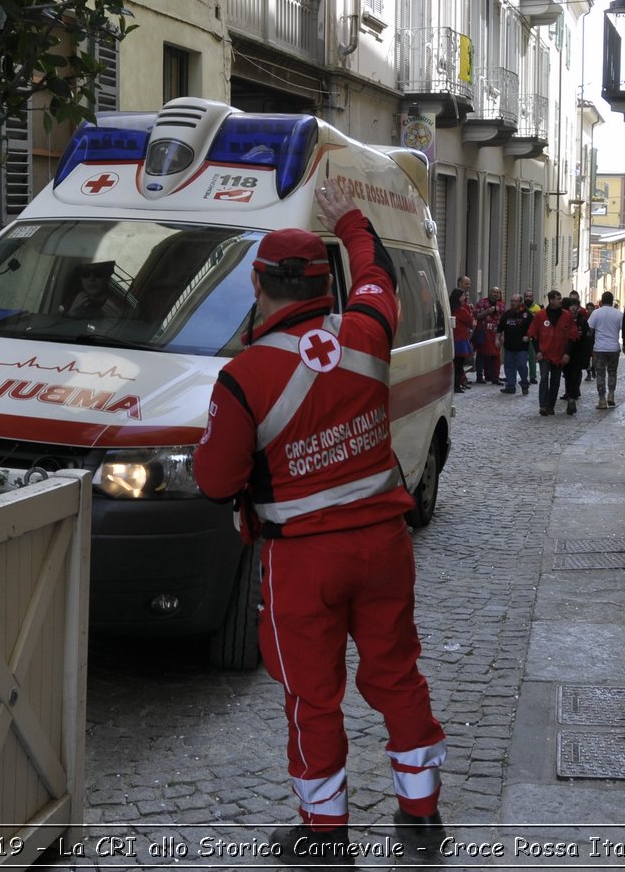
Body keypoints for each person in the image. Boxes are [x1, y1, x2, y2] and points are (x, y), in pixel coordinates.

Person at [194, 186, 447, 869]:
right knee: (397, 673)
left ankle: (326, 832)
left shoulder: (243, 377)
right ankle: (421, 813)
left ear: (258, 283)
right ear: (320, 280)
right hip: (386, 543)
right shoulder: (366, 329)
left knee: (312, 693)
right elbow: (377, 276)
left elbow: (215, 481)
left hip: (304, 559)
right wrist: (353, 222)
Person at [525, 290, 578, 416]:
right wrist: (537, 351)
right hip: (544, 353)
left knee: (555, 380)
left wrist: (567, 353)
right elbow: (533, 334)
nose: (561, 301)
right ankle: (543, 405)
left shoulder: (566, 316)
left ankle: (550, 405)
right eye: (558, 298)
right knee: (543, 378)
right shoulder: (540, 315)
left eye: (560, 298)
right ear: (551, 300)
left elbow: (572, 336)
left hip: (559, 354)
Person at [587, 291, 625, 409]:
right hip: (614, 348)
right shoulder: (619, 314)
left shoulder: (596, 313)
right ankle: (611, 395)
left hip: (600, 348)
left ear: (601, 301)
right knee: (612, 372)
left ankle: (602, 400)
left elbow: (590, 330)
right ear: (612, 301)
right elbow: (623, 329)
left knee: (600, 374)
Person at [561, 296, 594, 416]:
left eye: (576, 305)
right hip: (566, 353)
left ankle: (572, 398)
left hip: (578, 354)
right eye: (572, 305)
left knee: (575, 376)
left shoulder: (582, 321)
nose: (574, 308)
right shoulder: (563, 320)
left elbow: (587, 339)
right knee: (568, 376)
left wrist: (587, 356)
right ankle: (570, 396)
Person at [496, 294, 534, 395]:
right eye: (512, 301)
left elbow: (533, 328)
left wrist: (528, 336)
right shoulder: (507, 314)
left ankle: (524, 383)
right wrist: (497, 338)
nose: (513, 303)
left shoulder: (527, 315)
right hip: (509, 346)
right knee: (509, 366)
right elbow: (500, 328)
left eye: (515, 301)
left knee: (522, 365)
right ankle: (511, 386)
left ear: (521, 302)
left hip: (521, 346)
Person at [473, 287, 505, 385]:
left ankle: (494, 377)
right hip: (483, 331)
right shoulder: (482, 303)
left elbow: (503, 321)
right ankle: (479, 376)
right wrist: (487, 312)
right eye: (493, 292)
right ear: (489, 292)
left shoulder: (501, 305)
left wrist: (502, 335)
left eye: (497, 292)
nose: (495, 294)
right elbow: (476, 316)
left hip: (496, 333)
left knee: (495, 355)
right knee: (481, 354)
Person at [450, 288, 475, 393]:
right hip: (460, 340)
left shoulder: (450, 309)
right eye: (463, 296)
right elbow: (471, 322)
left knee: (456, 364)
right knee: (459, 365)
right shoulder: (461, 310)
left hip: (453, 339)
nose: (464, 298)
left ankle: (456, 384)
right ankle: (457, 385)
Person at [522, 289, 542, 384]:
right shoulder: (521, 307)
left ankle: (532, 377)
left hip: (533, 336)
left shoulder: (537, 308)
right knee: (519, 358)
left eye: (530, 296)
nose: (528, 298)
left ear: (533, 297)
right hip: (521, 335)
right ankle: (522, 376)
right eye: (527, 296)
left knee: (532, 357)